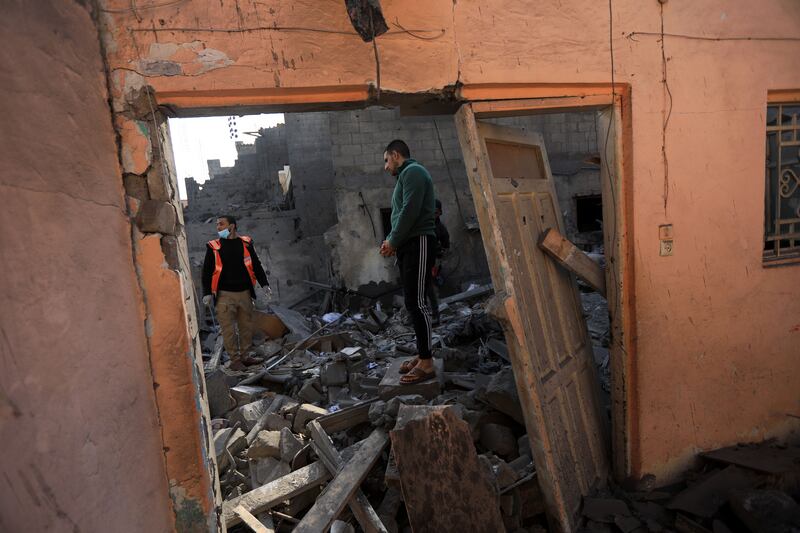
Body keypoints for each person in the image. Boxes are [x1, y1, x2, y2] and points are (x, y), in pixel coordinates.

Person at [380, 140, 438, 385]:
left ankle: (427, 363)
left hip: (419, 241)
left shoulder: (413, 171)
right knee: (413, 303)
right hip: (409, 244)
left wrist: (392, 240)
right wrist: (393, 241)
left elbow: (409, 211)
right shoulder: (406, 176)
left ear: (395, 155)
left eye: (386, 160)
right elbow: (402, 213)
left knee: (417, 303)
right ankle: (422, 354)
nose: (385, 167)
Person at [202, 215, 270, 371]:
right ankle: (234, 360)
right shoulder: (214, 247)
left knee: (246, 327)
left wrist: (264, 284)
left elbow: (256, 265)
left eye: (221, 224)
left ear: (232, 226)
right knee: (228, 330)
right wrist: (206, 293)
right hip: (224, 296)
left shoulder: (246, 243)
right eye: (217, 224)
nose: (218, 227)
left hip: (244, 293)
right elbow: (206, 272)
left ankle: (245, 356)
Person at [427, 198, 450, 325]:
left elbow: (446, 246)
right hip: (420, 260)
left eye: (435, 212)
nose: (433, 215)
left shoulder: (441, 229)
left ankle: (435, 315)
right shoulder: (423, 225)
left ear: (440, 213)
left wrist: (438, 260)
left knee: (430, 288)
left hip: (433, 261)